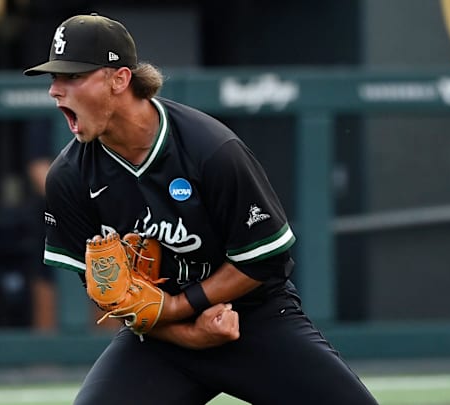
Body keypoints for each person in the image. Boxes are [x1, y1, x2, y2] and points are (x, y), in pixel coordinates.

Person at [24, 13, 378, 405]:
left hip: (253, 320)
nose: (55, 90)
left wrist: (181, 304)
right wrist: (186, 331)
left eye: (72, 77)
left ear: (119, 79)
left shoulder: (211, 149)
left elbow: (263, 260)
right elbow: (111, 295)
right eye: (54, 79)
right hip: (159, 340)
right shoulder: (70, 177)